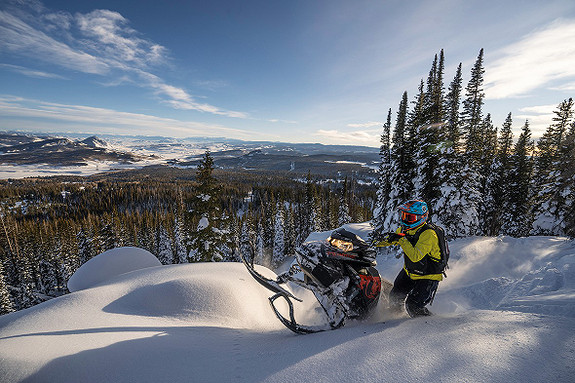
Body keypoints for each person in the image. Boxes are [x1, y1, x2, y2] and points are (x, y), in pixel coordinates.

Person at [375, 199, 443, 317]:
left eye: (410, 218)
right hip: (410, 271)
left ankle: (431, 324)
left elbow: (415, 256)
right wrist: (374, 242)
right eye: (404, 216)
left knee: (413, 306)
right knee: (395, 297)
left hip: (427, 276)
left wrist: (401, 239)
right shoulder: (407, 229)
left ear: (421, 217)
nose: (405, 220)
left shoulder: (429, 234)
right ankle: (395, 320)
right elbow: (393, 238)